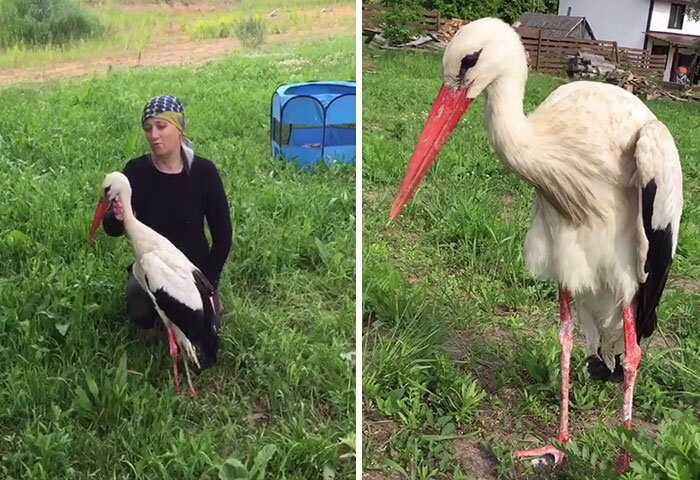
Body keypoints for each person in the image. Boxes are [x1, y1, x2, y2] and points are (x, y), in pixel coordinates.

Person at [102, 95, 232, 333]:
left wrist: (208, 286)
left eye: (161, 126)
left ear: (179, 127)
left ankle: (202, 306)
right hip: (152, 269)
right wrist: (114, 217)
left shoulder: (205, 173)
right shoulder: (135, 171)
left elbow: (223, 238)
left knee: (205, 331)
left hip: (194, 272)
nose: (154, 135)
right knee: (139, 310)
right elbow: (112, 229)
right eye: (148, 128)